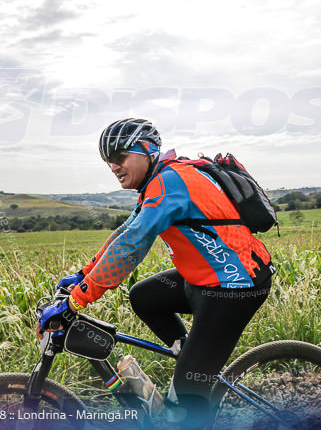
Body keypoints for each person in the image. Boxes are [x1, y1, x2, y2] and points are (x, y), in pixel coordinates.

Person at [37, 118, 274, 425]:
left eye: (120, 157)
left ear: (147, 151)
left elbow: (132, 246)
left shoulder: (171, 182)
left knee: (184, 403)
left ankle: (191, 392)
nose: (114, 167)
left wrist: (77, 300)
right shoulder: (158, 181)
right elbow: (125, 233)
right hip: (205, 282)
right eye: (109, 162)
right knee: (145, 296)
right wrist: (83, 275)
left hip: (235, 288)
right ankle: (191, 358)